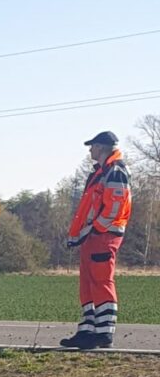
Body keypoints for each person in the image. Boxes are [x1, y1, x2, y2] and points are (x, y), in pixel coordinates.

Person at [61, 131, 132, 349]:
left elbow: (115, 207)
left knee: (101, 281)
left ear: (100, 147)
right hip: (92, 236)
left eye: (92, 146)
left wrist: (96, 229)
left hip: (104, 235)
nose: (90, 150)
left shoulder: (115, 171)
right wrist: (80, 234)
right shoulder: (101, 172)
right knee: (88, 283)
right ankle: (88, 330)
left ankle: (104, 332)